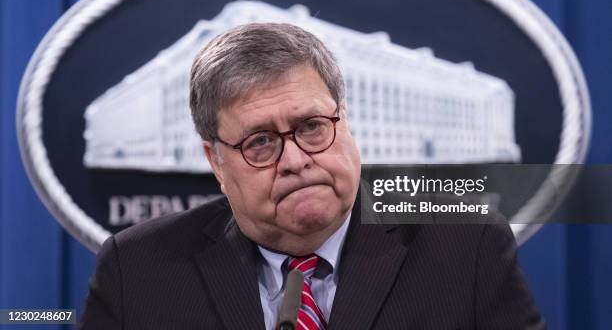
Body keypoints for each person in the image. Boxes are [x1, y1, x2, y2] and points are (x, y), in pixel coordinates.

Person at [80, 23, 545, 329]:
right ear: (216, 161)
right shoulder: (138, 268)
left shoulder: (466, 243)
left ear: (344, 118)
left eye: (311, 127)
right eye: (260, 141)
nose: (296, 159)